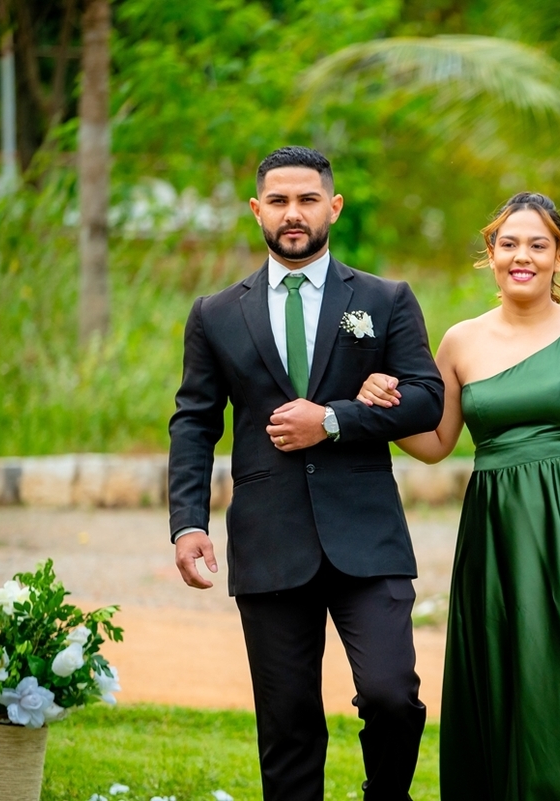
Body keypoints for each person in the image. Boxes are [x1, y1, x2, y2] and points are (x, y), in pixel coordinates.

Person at [356, 192, 560, 799]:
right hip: (500, 537)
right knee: (511, 681)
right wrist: (380, 409)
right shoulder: (460, 342)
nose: (523, 256)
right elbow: (438, 440)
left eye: (538, 244)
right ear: (490, 255)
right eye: (510, 244)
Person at [167, 146, 443, 801]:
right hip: (269, 537)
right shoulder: (215, 313)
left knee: (391, 693)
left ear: (333, 206)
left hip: (367, 537)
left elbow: (427, 398)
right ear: (257, 209)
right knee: (287, 723)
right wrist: (187, 522)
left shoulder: (384, 298)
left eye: (308, 199)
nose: (294, 214)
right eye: (281, 200)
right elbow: (194, 420)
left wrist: (337, 418)